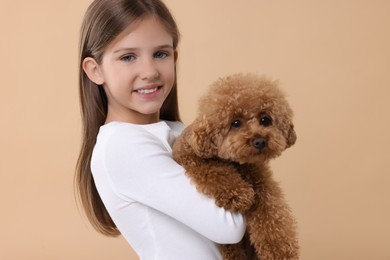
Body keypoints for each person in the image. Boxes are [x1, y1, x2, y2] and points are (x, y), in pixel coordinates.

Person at [75, 0, 246, 259]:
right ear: (95, 70)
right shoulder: (122, 146)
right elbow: (229, 226)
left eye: (160, 54)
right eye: (128, 57)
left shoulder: (176, 130)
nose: (149, 71)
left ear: (174, 58)